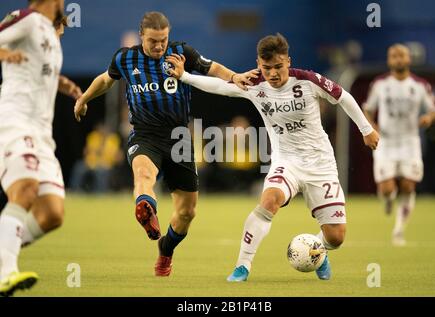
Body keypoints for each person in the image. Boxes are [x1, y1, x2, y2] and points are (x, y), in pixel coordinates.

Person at [166, 33, 379, 281]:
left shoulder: (308, 80)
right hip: (285, 161)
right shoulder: (254, 82)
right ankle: (242, 267)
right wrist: (185, 76)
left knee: (336, 237)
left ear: (288, 61)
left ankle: (318, 250)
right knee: (269, 200)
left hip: (320, 164)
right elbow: (221, 87)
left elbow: (344, 97)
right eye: (267, 68)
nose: (273, 73)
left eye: (278, 67)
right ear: (259, 63)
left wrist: (367, 129)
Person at [73, 11, 257, 277]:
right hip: (145, 134)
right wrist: (84, 98)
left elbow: (212, 67)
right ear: (141, 37)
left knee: (187, 212)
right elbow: (105, 80)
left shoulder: (181, 53)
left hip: (179, 138)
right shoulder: (125, 58)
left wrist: (235, 76)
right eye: (153, 41)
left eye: (163, 40)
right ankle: (146, 209)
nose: (159, 46)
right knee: (143, 175)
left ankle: (166, 249)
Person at [0, 0, 82, 296]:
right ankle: (5, 271)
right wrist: (5, 54)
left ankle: (2, 248)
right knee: (25, 189)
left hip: (42, 134)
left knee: (51, 214)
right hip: (16, 121)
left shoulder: (49, 33)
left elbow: (37, 70)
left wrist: (62, 84)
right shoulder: (27, 19)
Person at [363, 44, 435, 246]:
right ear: (389, 60)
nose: (398, 59)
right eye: (393, 56)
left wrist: (429, 118)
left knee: (408, 185)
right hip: (385, 142)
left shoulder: (420, 85)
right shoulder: (380, 84)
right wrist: (372, 127)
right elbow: (367, 109)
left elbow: (434, 109)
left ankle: (398, 231)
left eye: (401, 55)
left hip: (409, 142)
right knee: (388, 188)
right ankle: (388, 199)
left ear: (408, 59)